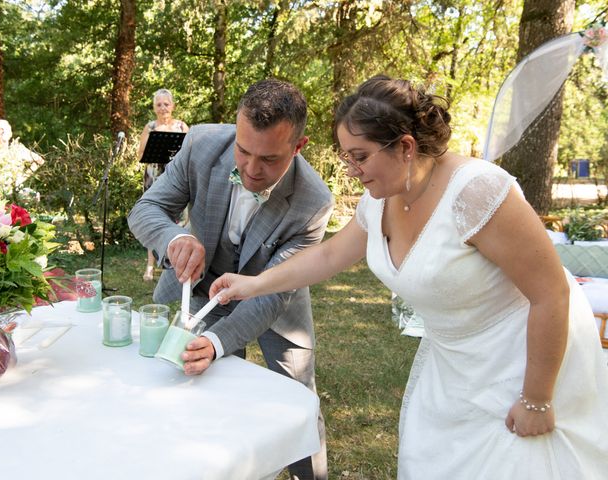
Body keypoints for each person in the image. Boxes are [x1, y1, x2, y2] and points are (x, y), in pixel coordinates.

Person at [210, 75, 608, 479]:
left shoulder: (478, 193)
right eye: (347, 157)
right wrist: (253, 284)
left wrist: (537, 399)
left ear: (405, 147)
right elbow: (329, 254)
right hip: (451, 364)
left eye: (360, 157)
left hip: (523, 360)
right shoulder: (382, 197)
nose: (351, 171)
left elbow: (552, 294)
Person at [128, 78, 333, 480]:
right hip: (205, 291)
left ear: (298, 147)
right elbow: (146, 209)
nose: (252, 170)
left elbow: (274, 292)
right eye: (243, 150)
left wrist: (221, 339)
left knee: (297, 402)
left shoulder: (314, 201)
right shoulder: (202, 144)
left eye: (270, 159)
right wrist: (177, 238)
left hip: (275, 301)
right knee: (207, 392)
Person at [136, 89, 190, 281]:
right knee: (153, 220)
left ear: (173, 106)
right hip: (154, 179)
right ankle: (150, 266)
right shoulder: (150, 127)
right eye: (159, 104)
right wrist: (154, 141)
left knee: (181, 221)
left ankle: (177, 266)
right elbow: (140, 155)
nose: (163, 108)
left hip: (177, 179)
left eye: (166, 104)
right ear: (154, 108)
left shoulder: (182, 126)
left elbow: (191, 153)